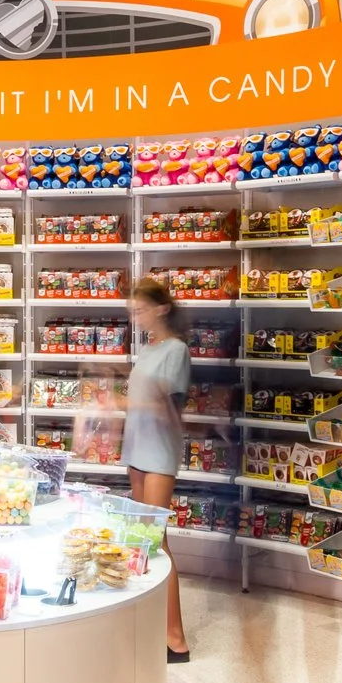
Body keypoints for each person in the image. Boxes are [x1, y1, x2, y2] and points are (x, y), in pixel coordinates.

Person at [124, 278, 192, 661]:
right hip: (136, 449)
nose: (136, 318)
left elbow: (171, 413)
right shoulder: (147, 349)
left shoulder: (176, 351)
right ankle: (153, 627)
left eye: (140, 311)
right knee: (142, 541)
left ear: (161, 308)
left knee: (157, 543)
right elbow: (140, 398)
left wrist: (137, 405)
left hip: (159, 452)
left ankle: (175, 639)